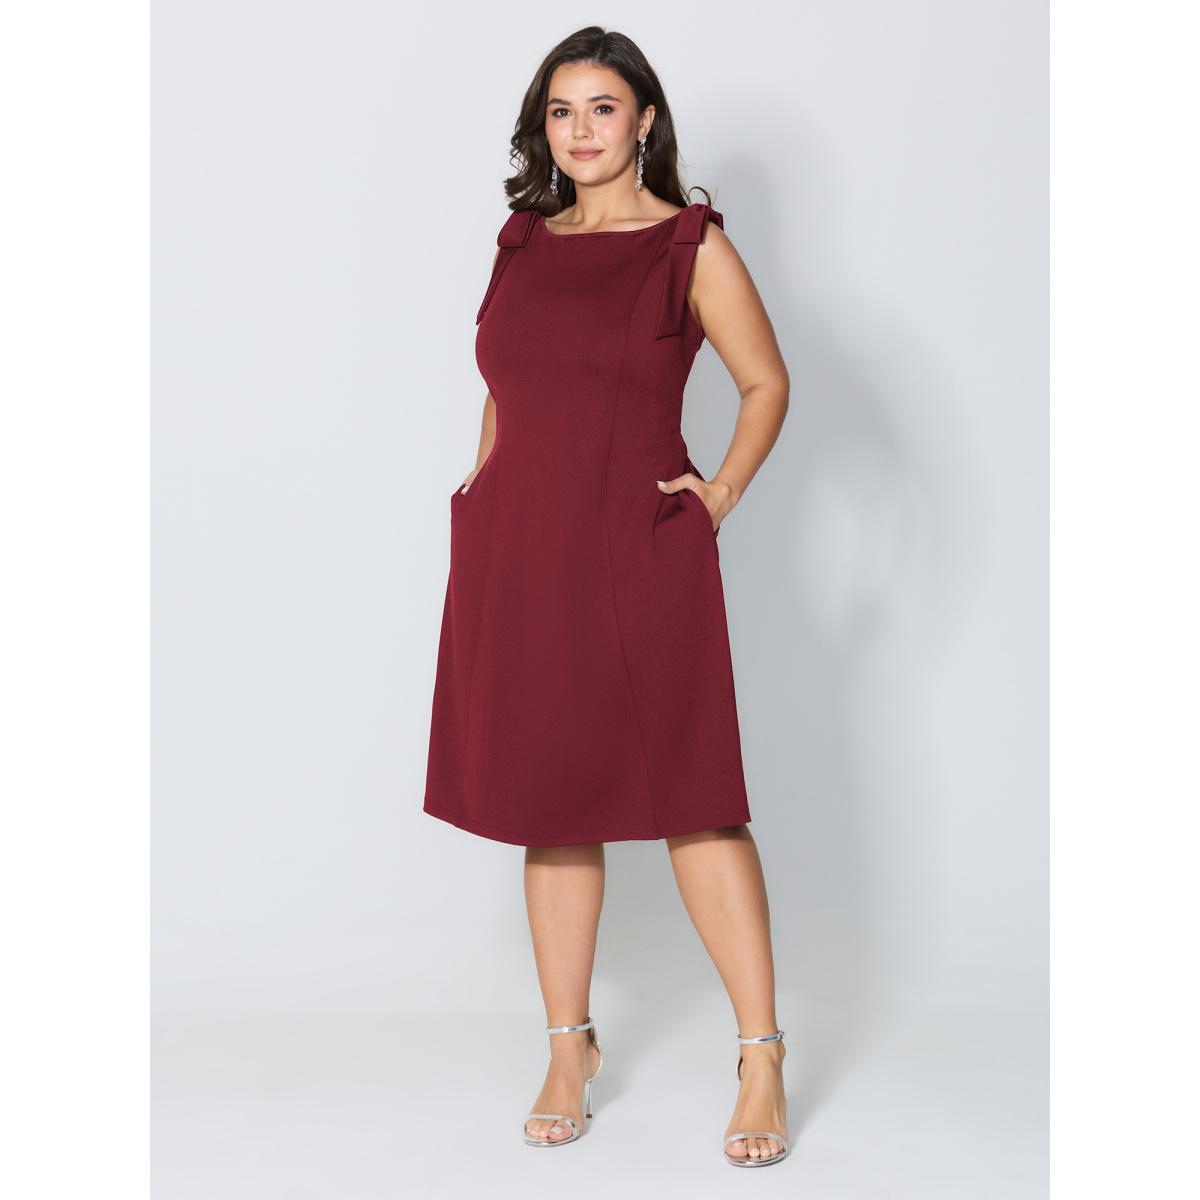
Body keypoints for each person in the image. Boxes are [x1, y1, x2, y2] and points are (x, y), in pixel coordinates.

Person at [423, 25, 791, 1167]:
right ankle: (568, 1048)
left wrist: (717, 495)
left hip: (639, 551)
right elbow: (509, 383)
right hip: (521, 552)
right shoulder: (522, 243)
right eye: (561, 111)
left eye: (602, 108)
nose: (579, 131)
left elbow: (766, 382)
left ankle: (762, 1056)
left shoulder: (689, 245)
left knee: (696, 797)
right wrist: (482, 487)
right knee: (552, 799)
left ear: (644, 122)